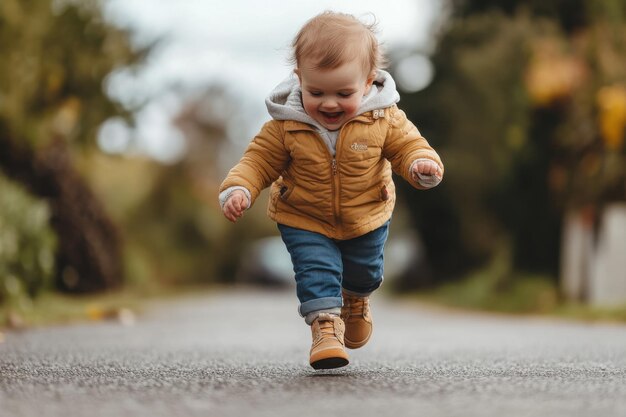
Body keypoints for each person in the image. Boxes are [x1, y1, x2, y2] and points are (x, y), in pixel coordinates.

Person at [219, 11, 443, 370]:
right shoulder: (285, 125)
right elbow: (257, 160)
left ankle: (356, 300)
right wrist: (239, 188)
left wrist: (421, 165)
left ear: (368, 83)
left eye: (343, 92)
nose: (329, 103)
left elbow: (408, 147)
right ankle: (325, 330)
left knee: (365, 273)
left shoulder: (384, 118)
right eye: (316, 91)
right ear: (299, 80)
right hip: (303, 216)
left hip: (366, 214)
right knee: (316, 271)